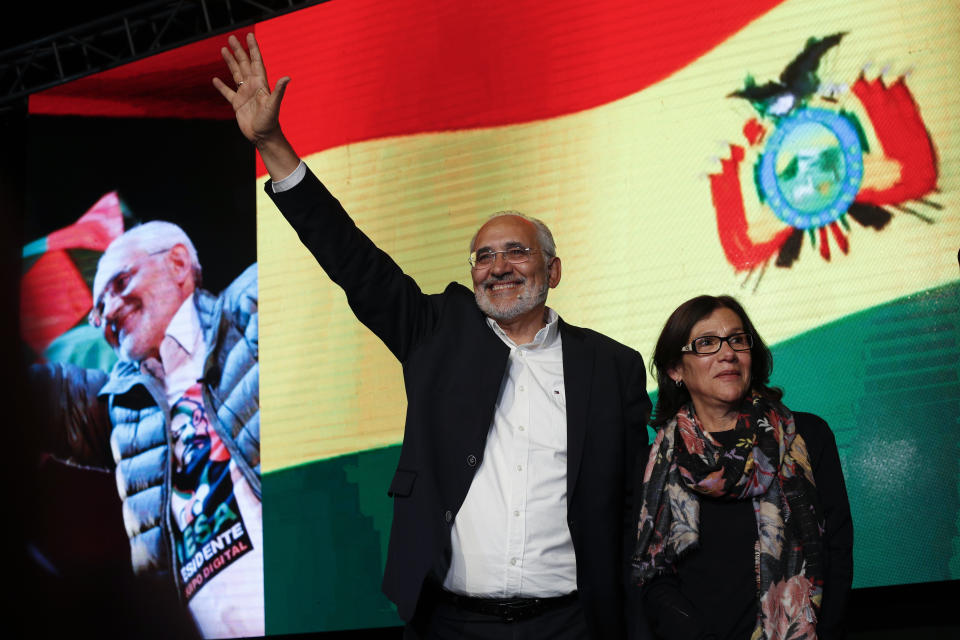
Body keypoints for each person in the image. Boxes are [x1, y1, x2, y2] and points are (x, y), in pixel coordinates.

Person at [214, 33, 651, 639]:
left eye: (516, 252)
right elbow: (353, 259)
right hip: (451, 622)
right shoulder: (437, 331)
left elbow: (634, 503)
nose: (497, 267)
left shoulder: (613, 367)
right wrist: (272, 144)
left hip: (572, 623)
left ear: (552, 270)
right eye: (483, 257)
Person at [29, 221, 262, 639]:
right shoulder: (123, 407)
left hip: (312, 595)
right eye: (99, 308)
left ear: (177, 264)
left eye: (121, 282)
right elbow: (32, 395)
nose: (110, 311)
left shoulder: (250, 307)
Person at [632, 295, 854, 640]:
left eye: (738, 339)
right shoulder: (656, 462)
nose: (727, 353)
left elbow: (837, 552)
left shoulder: (806, 436)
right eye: (706, 343)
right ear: (676, 369)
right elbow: (652, 575)